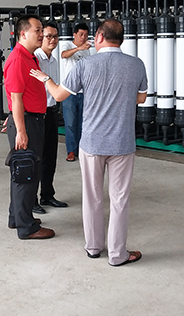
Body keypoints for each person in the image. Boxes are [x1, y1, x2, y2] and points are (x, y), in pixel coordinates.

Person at [30, 19, 147, 266]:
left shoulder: (86, 64)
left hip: (92, 143)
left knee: (92, 196)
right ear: (122, 39)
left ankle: (93, 247)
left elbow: (58, 95)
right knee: (119, 200)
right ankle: (117, 254)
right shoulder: (136, 65)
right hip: (122, 143)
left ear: (100, 37)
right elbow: (141, 98)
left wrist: (45, 79)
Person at [3, 14, 55, 240]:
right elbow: (16, 98)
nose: (42, 34)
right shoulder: (18, 59)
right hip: (27, 122)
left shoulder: (29, 57)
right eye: (38, 30)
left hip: (32, 120)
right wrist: (21, 130)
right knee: (27, 173)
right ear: (23, 33)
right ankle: (27, 227)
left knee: (23, 171)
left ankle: (17, 217)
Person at [32, 22, 68, 215]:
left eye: (55, 36)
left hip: (52, 111)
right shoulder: (35, 59)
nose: (52, 40)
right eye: (48, 36)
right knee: (36, 158)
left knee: (50, 156)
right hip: (38, 114)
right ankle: (32, 200)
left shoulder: (53, 60)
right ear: (41, 37)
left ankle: (47, 194)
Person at [59, 23, 91, 162]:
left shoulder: (87, 51)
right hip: (69, 91)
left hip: (84, 91)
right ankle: (71, 151)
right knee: (71, 122)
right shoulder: (66, 45)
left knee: (84, 122)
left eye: (86, 35)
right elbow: (64, 55)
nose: (83, 37)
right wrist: (78, 48)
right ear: (74, 34)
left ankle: (82, 149)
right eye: (81, 34)